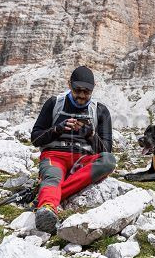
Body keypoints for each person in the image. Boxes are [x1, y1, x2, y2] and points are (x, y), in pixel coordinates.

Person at [30, 65, 116, 234]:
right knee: (53, 175)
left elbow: (107, 149)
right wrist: (57, 129)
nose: (82, 96)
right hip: (54, 154)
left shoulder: (100, 110)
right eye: (78, 91)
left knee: (108, 161)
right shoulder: (54, 103)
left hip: (82, 158)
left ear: (93, 90)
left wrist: (90, 134)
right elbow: (36, 138)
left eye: (87, 92)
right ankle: (47, 208)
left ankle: (47, 198)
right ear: (69, 85)